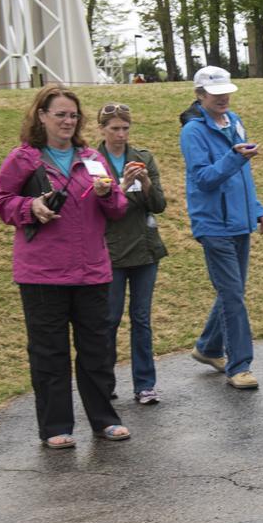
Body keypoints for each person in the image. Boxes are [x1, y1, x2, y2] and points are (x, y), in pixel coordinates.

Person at [0, 85, 130, 448]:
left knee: (97, 349)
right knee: (49, 353)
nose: (68, 121)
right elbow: (1, 201)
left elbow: (117, 209)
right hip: (42, 274)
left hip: (92, 270)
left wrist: (107, 194)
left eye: (73, 115)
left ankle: (104, 419)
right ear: (42, 116)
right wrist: (29, 208)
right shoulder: (23, 158)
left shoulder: (91, 159)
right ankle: (56, 427)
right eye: (60, 114)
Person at [179, 66, 263, 390]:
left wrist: (256, 208)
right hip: (213, 224)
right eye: (216, 94)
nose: (223, 98)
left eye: (226, 92)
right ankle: (239, 366)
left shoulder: (235, 122)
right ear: (200, 96)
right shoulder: (192, 132)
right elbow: (204, 178)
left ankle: (208, 347)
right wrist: (235, 158)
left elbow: (243, 176)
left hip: (239, 221)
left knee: (233, 292)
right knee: (232, 295)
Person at [97, 102, 168, 406]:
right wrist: (122, 187)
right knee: (109, 319)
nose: (121, 134)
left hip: (144, 249)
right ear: (102, 129)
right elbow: (92, 207)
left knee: (141, 318)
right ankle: (104, 382)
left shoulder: (143, 158)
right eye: (114, 128)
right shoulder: (90, 161)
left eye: (125, 128)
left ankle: (145, 384)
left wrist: (147, 184)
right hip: (108, 251)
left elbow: (159, 205)